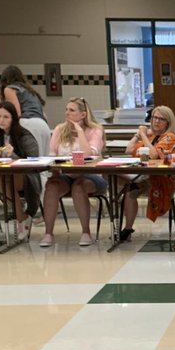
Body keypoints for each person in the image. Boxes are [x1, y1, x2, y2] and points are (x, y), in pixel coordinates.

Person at [40, 97, 106, 248]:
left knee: (79, 187)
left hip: (91, 175)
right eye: (66, 110)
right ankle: (48, 233)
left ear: (83, 115)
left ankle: (86, 232)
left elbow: (89, 154)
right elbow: (52, 157)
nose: (67, 113)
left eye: (71, 110)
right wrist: (55, 172)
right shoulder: (59, 129)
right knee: (51, 187)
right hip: (65, 174)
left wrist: (80, 131)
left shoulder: (96, 130)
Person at [0, 101, 39, 242]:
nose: (1, 120)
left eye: (6, 117)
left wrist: (14, 155)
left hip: (22, 176)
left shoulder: (24, 135)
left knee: (2, 179)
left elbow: (34, 161)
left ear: (13, 118)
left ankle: (21, 218)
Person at [118, 105, 175, 243]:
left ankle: (125, 225)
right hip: (143, 176)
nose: (156, 121)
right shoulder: (149, 136)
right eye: (154, 117)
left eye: (161, 119)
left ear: (168, 122)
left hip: (161, 179)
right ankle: (127, 229)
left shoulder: (170, 137)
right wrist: (137, 135)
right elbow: (128, 150)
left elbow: (153, 154)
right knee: (130, 190)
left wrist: (144, 135)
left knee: (131, 186)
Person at [0, 65, 51, 156]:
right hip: (43, 125)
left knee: (31, 159)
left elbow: (16, 113)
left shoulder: (9, 89)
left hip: (27, 123)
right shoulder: (29, 90)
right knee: (43, 160)